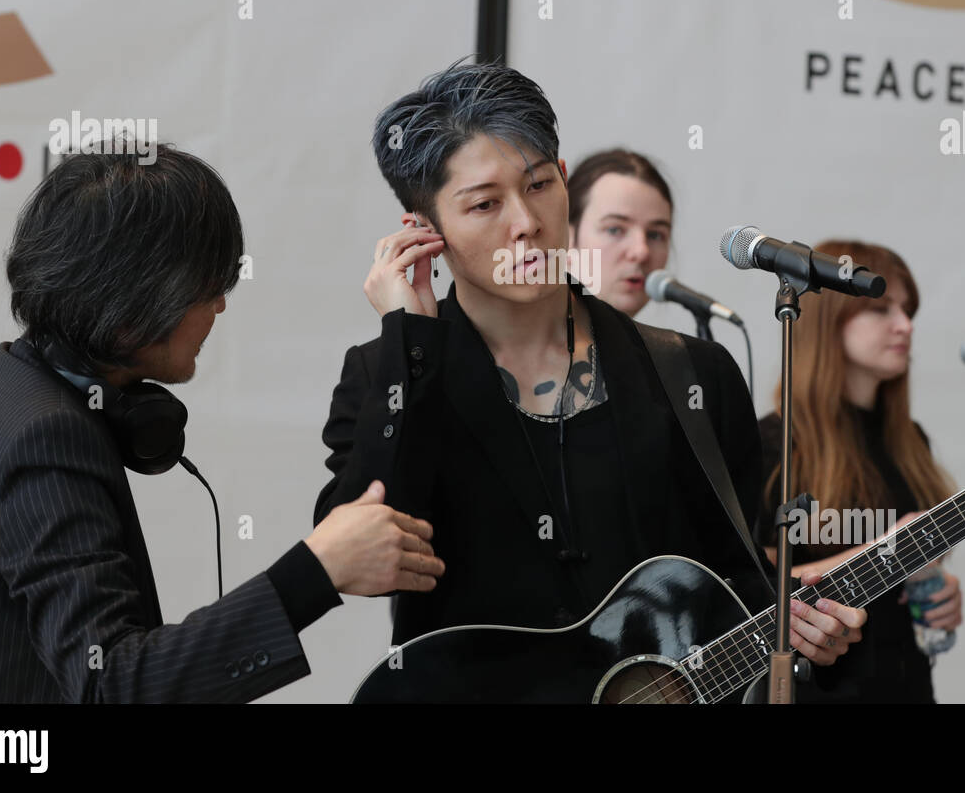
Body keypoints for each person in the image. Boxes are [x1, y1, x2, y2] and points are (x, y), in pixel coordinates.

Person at [316, 61, 866, 696]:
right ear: (424, 230)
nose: (525, 222)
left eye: (539, 185)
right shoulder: (383, 373)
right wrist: (410, 343)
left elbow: (738, 586)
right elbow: (362, 556)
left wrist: (812, 630)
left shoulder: (694, 373)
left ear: (565, 183)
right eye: (485, 204)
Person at [0, 143, 444, 703]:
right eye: (212, 287)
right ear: (139, 297)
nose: (221, 308)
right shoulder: (45, 437)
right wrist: (316, 571)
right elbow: (112, 684)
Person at [754, 239, 962, 703]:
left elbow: (908, 578)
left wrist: (938, 591)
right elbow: (752, 578)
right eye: (883, 309)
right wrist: (886, 553)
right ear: (831, 317)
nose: (905, 326)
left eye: (909, 311)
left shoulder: (910, 440)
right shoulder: (771, 443)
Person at [565, 149, 673, 318]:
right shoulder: (520, 341)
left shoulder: (666, 344)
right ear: (565, 239)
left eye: (655, 235)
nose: (641, 251)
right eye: (614, 230)